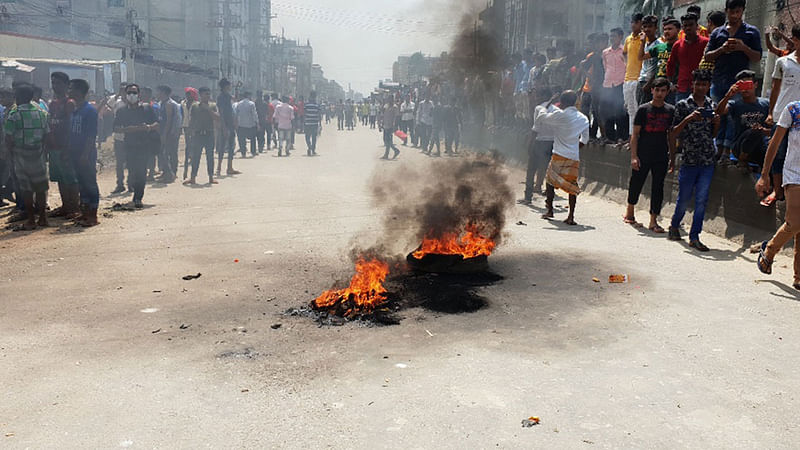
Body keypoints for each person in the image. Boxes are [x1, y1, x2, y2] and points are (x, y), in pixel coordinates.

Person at [667, 70, 720, 251]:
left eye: (704, 85)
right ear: (693, 85)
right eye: (698, 84)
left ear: (708, 86)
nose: (701, 87)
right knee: (684, 198)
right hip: (689, 158)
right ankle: (674, 225)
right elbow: (673, 132)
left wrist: (717, 123)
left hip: (707, 159)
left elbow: (713, 134)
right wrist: (689, 119)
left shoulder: (712, 105)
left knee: (701, 200)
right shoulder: (682, 105)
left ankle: (694, 236)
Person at [756, 98, 800, 289]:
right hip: (795, 174)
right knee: (795, 222)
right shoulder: (793, 109)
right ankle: (770, 250)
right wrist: (764, 175)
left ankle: (799, 276)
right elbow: (774, 143)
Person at [625, 78, 675, 233]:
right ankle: (630, 211)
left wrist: (672, 158)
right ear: (652, 90)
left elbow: (671, 136)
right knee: (636, 182)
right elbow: (635, 135)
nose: (659, 93)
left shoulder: (671, 111)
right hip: (643, 153)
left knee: (658, 187)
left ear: (667, 92)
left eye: (663, 90)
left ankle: (653, 220)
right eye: (657, 90)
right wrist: (634, 156)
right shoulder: (643, 109)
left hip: (661, 155)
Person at [535, 90, 590, 225]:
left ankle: (549, 210)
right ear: (576, 102)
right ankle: (571, 216)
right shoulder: (583, 118)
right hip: (573, 156)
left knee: (550, 182)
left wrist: (547, 104)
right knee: (572, 186)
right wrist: (575, 147)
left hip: (559, 154)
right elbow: (585, 139)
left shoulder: (559, 115)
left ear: (562, 102)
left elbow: (541, 117)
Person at [3, 84, 50, 230]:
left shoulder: (14, 114)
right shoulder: (42, 113)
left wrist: (10, 153)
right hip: (38, 154)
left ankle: (31, 219)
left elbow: (9, 138)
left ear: (19, 97)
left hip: (21, 155)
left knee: (27, 189)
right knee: (41, 188)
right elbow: (47, 136)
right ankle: (42, 217)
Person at [764, 25, 800, 206]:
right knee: (778, 154)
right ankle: (777, 192)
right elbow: (776, 89)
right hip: (781, 116)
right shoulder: (783, 62)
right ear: (796, 40)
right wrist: (770, 113)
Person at [704, 0, 762, 103]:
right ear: (726, 11)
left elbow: (757, 57)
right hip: (718, 83)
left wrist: (743, 48)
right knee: (717, 115)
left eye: (738, 12)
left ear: (743, 11)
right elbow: (707, 56)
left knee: (735, 116)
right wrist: (722, 49)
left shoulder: (752, 32)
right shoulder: (717, 33)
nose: (735, 15)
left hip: (740, 84)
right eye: (732, 12)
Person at [113, 83, 159, 209]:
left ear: (139, 94)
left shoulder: (146, 109)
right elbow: (116, 128)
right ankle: (134, 189)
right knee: (132, 171)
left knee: (141, 171)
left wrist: (148, 127)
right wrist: (129, 129)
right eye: (129, 93)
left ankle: (138, 198)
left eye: (134, 92)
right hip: (129, 145)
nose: (131, 95)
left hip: (144, 145)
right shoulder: (122, 111)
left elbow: (157, 124)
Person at [716, 70, 770, 170]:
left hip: (760, 146)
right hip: (739, 147)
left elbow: (773, 126)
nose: (745, 89)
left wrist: (765, 131)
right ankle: (742, 159)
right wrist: (728, 95)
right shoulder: (734, 104)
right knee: (753, 132)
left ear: (755, 85)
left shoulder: (765, 104)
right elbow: (719, 112)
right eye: (742, 86)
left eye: (748, 85)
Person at [67, 79, 100, 227]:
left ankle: (93, 215)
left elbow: (91, 136)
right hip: (74, 152)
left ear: (80, 91)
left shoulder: (90, 111)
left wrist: (85, 154)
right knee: (81, 183)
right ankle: (85, 213)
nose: (69, 91)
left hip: (85, 153)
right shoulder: (75, 109)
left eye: (71, 89)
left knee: (90, 183)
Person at [47, 71, 80, 219]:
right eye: (53, 83)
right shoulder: (52, 104)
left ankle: (74, 207)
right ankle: (65, 206)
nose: (55, 86)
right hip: (54, 147)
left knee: (71, 179)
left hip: (66, 147)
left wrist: (69, 148)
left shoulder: (70, 104)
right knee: (60, 178)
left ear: (67, 85)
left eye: (58, 83)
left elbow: (72, 128)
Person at [522, 87, 556, 204]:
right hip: (552, 142)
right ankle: (547, 197)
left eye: (537, 95)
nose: (535, 98)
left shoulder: (539, 108)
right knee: (546, 168)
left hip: (539, 141)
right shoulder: (556, 109)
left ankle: (528, 196)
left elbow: (536, 128)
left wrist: (530, 143)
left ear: (543, 96)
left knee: (531, 169)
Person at [667, 14, 710, 102]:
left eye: (691, 25)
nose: (688, 28)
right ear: (682, 28)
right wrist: (670, 83)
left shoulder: (706, 42)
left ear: (697, 26)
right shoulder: (677, 45)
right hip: (683, 88)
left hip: (702, 87)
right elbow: (670, 65)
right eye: (685, 25)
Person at [184, 87, 218, 186]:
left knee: (210, 157)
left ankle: (211, 177)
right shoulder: (195, 106)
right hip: (198, 134)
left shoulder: (213, 105)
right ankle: (193, 177)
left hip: (209, 134)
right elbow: (192, 120)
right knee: (196, 157)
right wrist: (189, 132)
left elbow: (217, 118)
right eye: (206, 94)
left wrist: (208, 110)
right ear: (201, 95)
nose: (208, 96)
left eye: (209, 94)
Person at [602, 28, 628, 143]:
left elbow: (627, 66)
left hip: (620, 83)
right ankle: (610, 137)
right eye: (611, 36)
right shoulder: (605, 52)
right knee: (607, 112)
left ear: (620, 37)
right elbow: (605, 67)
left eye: (614, 36)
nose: (612, 38)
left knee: (620, 112)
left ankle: (621, 136)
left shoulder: (624, 51)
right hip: (607, 84)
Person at [624, 13, 645, 137]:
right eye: (632, 22)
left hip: (639, 79)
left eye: (636, 22)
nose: (633, 25)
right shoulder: (628, 39)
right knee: (630, 110)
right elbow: (624, 54)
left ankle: (638, 137)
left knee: (638, 110)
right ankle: (632, 137)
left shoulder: (646, 39)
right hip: (627, 79)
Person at [637, 15, 665, 105]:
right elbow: (640, 58)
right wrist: (642, 42)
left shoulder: (660, 45)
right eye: (645, 27)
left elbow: (659, 67)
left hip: (651, 83)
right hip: (641, 80)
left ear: (655, 28)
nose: (647, 29)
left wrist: (649, 84)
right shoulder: (644, 44)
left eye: (650, 26)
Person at [156, 85, 180, 182]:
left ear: (164, 93)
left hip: (170, 132)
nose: (157, 94)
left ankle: (171, 174)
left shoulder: (169, 104)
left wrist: (165, 134)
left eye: (159, 92)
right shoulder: (162, 103)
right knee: (165, 152)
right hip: (165, 131)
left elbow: (169, 120)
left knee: (168, 153)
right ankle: (167, 172)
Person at [216, 78, 240, 176]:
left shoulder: (227, 95)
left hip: (230, 124)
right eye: (230, 85)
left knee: (230, 146)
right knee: (222, 146)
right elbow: (221, 112)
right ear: (226, 86)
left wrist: (237, 89)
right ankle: (219, 167)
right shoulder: (221, 97)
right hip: (225, 124)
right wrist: (224, 126)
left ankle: (229, 167)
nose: (231, 86)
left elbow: (236, 99)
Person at [111, 83, 129, 193]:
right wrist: (117, 94)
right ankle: (120, 184)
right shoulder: (117, 103)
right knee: (119, 162)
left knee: (131, 161)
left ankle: (131, 184)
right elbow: (108, 103)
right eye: (121, 91)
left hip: (131, 137)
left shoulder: (135, 104)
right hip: (119, 137)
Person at [234, 91, 258, 158]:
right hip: (251, 124)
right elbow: (254, 114)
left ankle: (243, 153)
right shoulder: (251, 104)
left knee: (242, 140)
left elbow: (236, 114)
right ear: (248, 96)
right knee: (253, 139)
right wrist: (257, 123)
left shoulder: (239, 104)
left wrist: (236, 123)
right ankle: (253, 152)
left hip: (241, 124)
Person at [181, 87, 198, 180]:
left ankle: (192, 156)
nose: (188, 95)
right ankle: (189, 156)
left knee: (193, 143)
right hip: (185, 125)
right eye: (187, 94)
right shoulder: (183, 103)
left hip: (194, 126)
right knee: (188, 143)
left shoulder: (196, 104)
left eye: (190, 94)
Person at [304, 91, 321, 156]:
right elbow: (319, 115)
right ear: (315, 97)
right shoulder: (317, 105)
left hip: (307, 123)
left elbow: (304, 114)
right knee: (314, 137)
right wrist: (320, 124)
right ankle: (313, 149)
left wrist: (304, 122)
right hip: (315, 123)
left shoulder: (306, 105)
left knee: (307, 137)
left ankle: (309, 147)